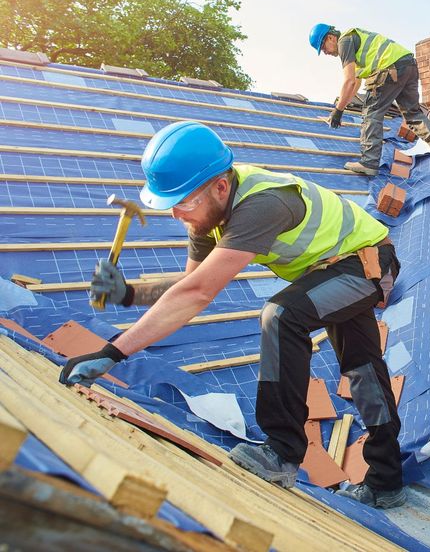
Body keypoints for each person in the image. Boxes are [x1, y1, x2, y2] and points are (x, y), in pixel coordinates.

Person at [59, 121, 406, 509]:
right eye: (170, 204)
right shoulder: (206, 215)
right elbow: (191, 286)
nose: (176, 214)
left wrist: (112, 353)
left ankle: (282, 452)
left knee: (281, 315)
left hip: (367, 263)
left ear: (220, 187)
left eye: (184, 202)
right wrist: (129, 294)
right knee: (362, 370)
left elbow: (196, 294)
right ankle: (386, 481)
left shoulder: (263, 204)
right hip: (330, 270)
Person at [309, 23, 430, 175]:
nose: (325, 53)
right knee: (413, 115)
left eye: (323, 47)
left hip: (389, 68)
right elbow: (355, 84)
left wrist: (337, 111)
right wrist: (341, 108)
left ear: (331, 37)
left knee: (371, 112)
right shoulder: (355, 43)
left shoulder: (344, 42)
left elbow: (349, 80)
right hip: (408, 65)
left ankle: (369, 162)